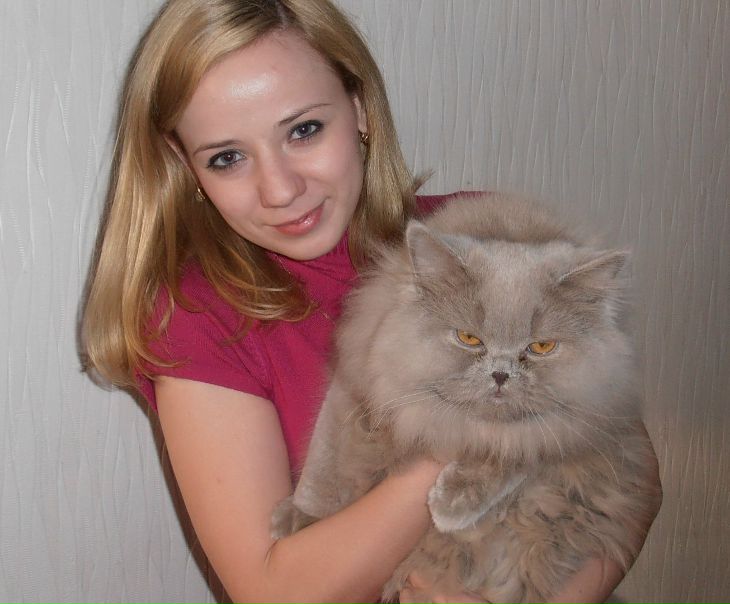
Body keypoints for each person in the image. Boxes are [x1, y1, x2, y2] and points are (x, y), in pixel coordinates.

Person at [81, 1, 660, 602]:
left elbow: (633, 469)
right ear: (185, 164)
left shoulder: (476, 245)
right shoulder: (200, 318)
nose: (280, 189)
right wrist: (462, 435)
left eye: (303, 130)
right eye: (227, 157)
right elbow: (273, 592)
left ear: (359, 109)